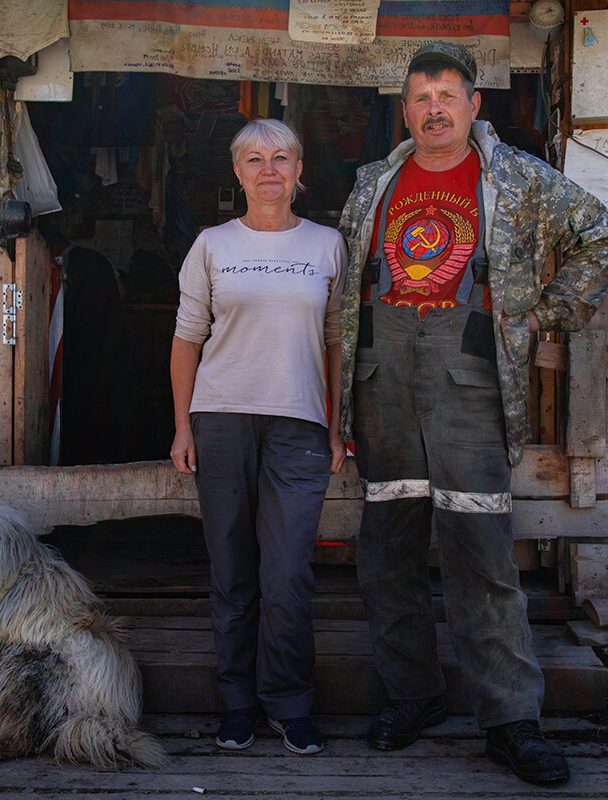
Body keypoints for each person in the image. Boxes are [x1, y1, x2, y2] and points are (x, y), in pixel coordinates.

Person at [336, 42, 608, 784]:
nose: (434, 108)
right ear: (405, 109)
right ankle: (414, 695)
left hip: (469, 376)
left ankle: (510, 720)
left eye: (447, 95)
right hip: (382, 378)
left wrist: (544, 315)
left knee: (480, 551)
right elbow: (344, 298)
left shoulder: (518, 179)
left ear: (472, 105)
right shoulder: (371, 184)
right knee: (388, 547)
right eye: (420, 96)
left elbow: (600, 231)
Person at [170, 118, 348, 756]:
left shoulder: (328, 245)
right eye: (254, 159)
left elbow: (336, 340)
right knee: (232, 572)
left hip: (298, 424)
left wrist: (335, 424)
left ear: (300, 172)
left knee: (288, 574)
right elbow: (188, 338)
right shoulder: (212, 243)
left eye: (281, 158)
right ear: (238, 172)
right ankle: (238, 703)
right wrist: (181, 425)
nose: (268, 170)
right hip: (220, 419)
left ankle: (290, 703)